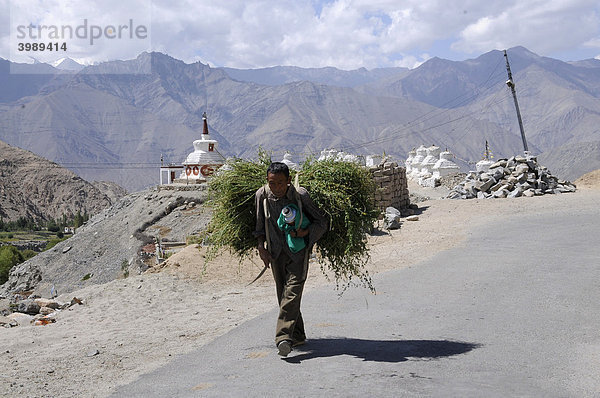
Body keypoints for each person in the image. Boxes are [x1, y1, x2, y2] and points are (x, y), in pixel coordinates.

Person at [254, 162, 328, 357]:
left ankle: (283, 338)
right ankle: (298, 334)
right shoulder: (262, 196)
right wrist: (261, 247)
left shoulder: (300, 196)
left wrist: (305, 232)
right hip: (276, 253)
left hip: (298, 252)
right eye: (272, 184)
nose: (276, 188)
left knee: (292, 292)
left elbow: (321, 222)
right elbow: (259, 226)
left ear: (288, 181)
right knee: (283, 295)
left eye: (280, 183)